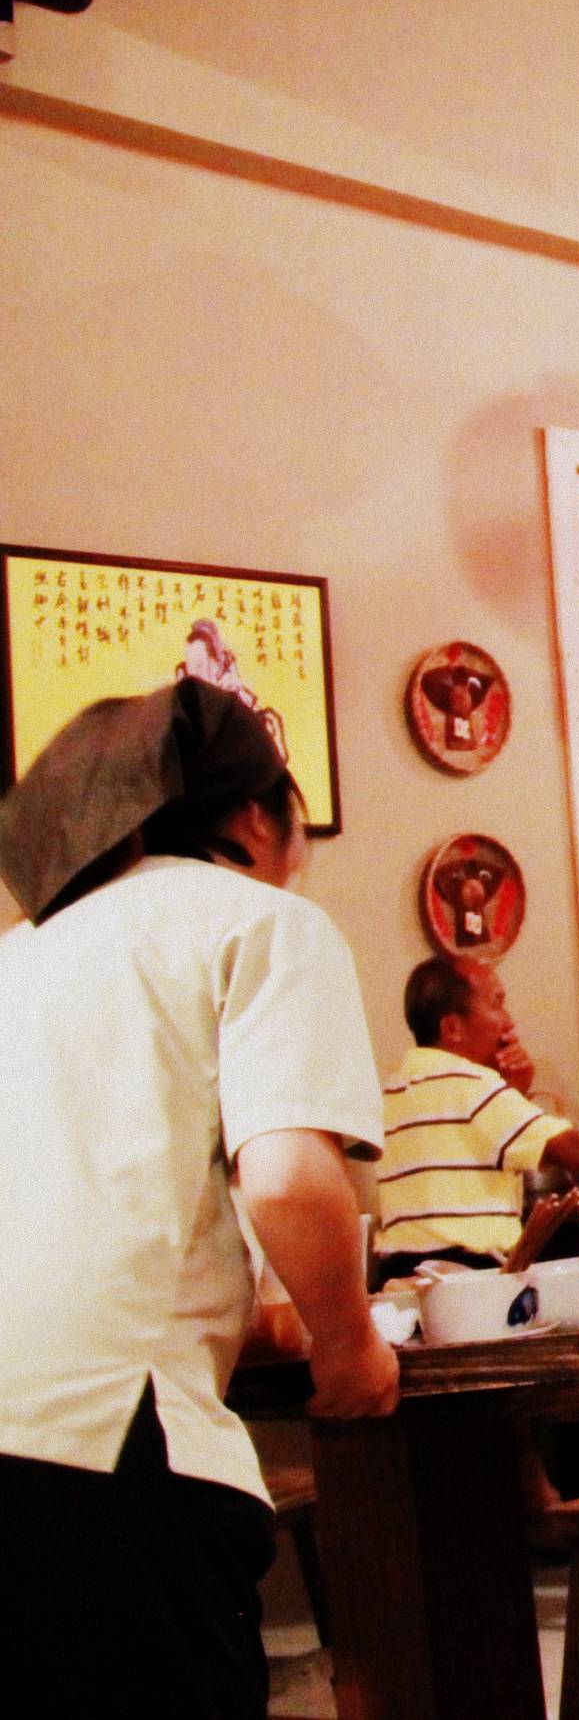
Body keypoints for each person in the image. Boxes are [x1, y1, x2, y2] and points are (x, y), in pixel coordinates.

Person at [0, 680, 399, 1719]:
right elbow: (288, 1177)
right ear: (258, 817)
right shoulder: (261, 923)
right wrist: (349, 1346)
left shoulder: (16, 956)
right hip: (105, 1451)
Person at [375, 955, 579, 1271]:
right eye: (497, 1004)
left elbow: (469, 1140)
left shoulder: (393, 1088)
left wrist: (511, 1090)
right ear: (452, 1028)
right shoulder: (471, 1084)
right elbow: (577, 1152)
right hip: (470, 1269)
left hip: (399, 1268)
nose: (509, 1022)